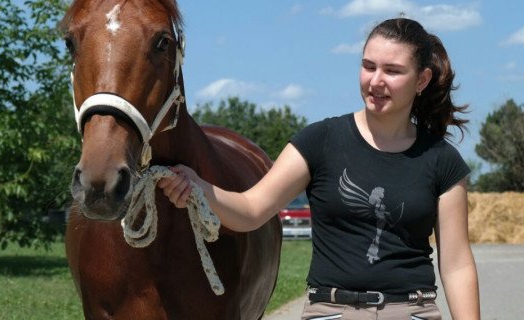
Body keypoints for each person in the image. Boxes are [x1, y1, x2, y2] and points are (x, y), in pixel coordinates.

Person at [158, 17, 480, 320]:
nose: (376, 80)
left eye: (393, 71)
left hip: (411, 311)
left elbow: (456, 265)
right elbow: (252, 209)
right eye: (369, 66)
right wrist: (199, 186)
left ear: (421, 79)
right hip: (332, 310)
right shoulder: (319, 141)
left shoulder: (442, 161)